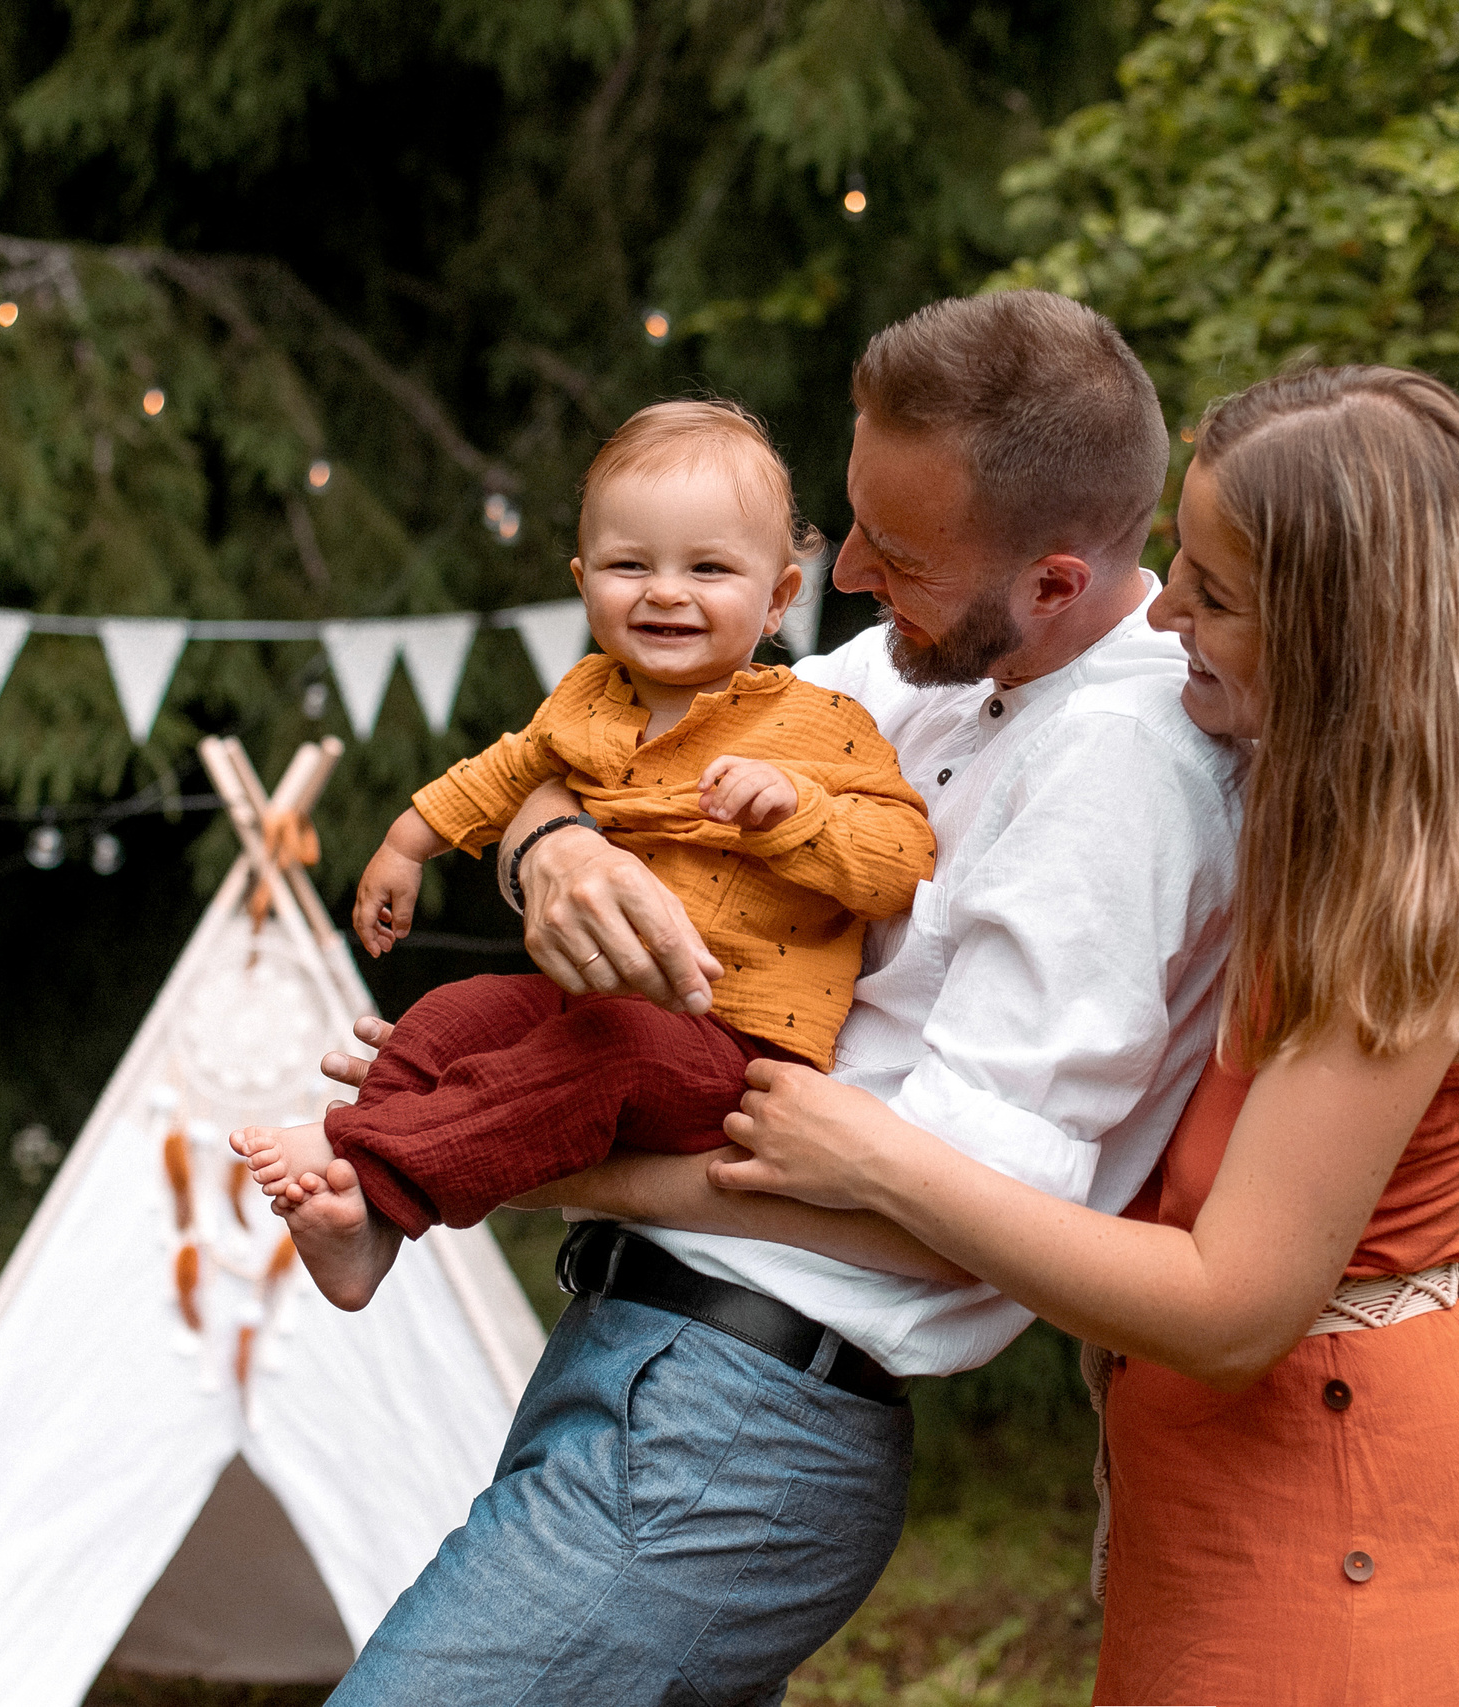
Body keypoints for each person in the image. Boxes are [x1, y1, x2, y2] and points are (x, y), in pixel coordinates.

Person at [299, 290, 1244, 1706]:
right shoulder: (933, 666)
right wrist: (554, 852)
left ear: (1052, 582)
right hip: (647, 1361)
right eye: (851, 521)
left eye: (895, 552)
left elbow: (966, 1225)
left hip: (736, 1415)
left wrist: (525, 1151)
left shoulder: (1119, 775)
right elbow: (611, 731)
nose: (843, 572)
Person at [705, 364, 1459, 1703]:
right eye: (1179, 562)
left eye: (1216, 593)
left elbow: (1229, 1308)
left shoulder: (1413, 917)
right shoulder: (1296, 840)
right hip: (1213, 1525)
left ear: (1343, 641)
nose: (1164, 610)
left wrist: (879, 1157)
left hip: (1346, 1559)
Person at [228, 400, 933, 1309]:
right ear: (583, 579)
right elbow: (505, 773)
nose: (665, 592)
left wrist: (798, 811)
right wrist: (408, 841)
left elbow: (902, 857)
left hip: (734, 1043)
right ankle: (369, 1217)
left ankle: (364, 1162)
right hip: (592, 999)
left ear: (778, 598)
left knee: (606, 1053)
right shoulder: (588, 696)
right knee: (451, 1017)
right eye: (630, 565)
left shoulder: (822, 725)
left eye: (708, 568)